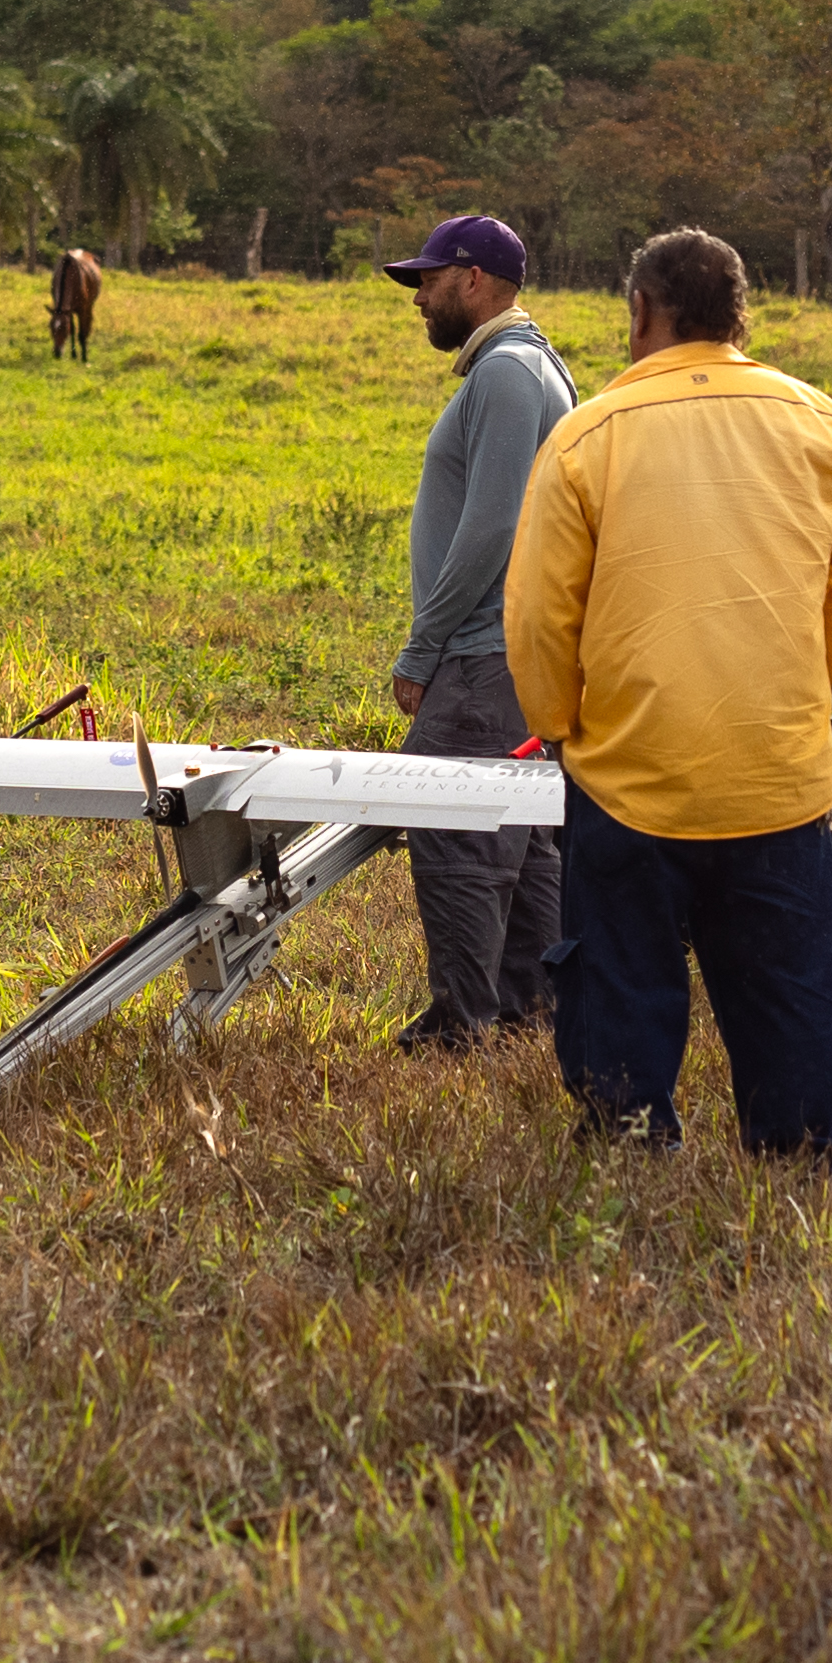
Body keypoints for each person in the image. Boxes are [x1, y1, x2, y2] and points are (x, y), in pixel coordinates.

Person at [502, 226, 832, 1160]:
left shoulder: (587, 435)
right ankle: (796, 1146)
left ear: (642, 312)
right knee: (786, 983)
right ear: (736, 317)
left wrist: (558, 725)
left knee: (625, 974)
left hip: (631, 771)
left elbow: (539, 615)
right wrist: (827, 683)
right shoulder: (823, 424)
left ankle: (636, 1134)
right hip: (778, 770)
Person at [375, 212, 576, 1048]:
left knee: (454, 822)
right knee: (521, 836)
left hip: (481, 654)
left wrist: (424, 646)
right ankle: (529, 1013)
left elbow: (491, 527)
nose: (418, 298)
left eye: (428, 280)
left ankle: (463, 1023)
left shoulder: (505, 376)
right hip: (518, 652)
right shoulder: (531, 367)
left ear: (473, 280)